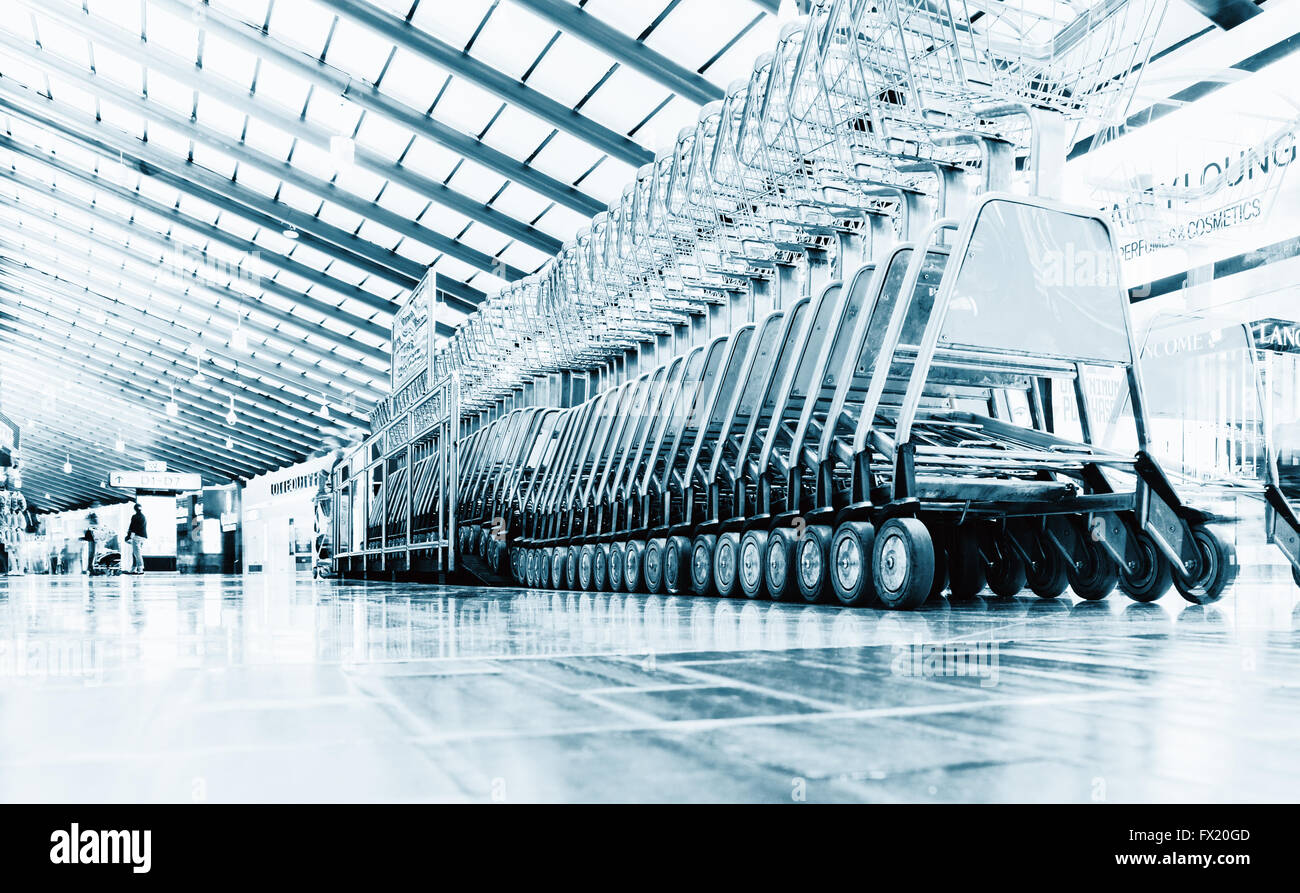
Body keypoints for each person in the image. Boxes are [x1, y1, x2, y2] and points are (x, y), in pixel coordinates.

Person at [126, 503, 148, 575]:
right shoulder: (143, 516)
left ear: (135, 509)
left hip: (137, 537)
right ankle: (133, 568)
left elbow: (132, 527)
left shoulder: (135, 516)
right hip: (143, 537)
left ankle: (140, 569)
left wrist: (129, 536)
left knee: (137, 553)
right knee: (135, 553)